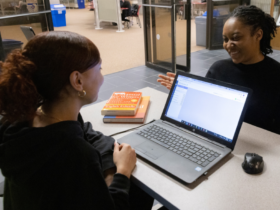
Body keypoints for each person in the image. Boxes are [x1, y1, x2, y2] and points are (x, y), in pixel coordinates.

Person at [0, 31, 153, 209]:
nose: (102, 79)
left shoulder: (19, 121)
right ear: (77, 80)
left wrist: (109, 168)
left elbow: (84, 130)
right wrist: (122, 172)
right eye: (99, 69)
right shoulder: (75, 155)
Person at [157, 5, 280, 134]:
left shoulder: (276, 75)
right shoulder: (219, 69)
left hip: (259, 147)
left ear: (258, 35)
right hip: (217, 139)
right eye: (225, 39)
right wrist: (185, 93)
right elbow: (204, 106)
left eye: (236, 38)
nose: (228, 45)